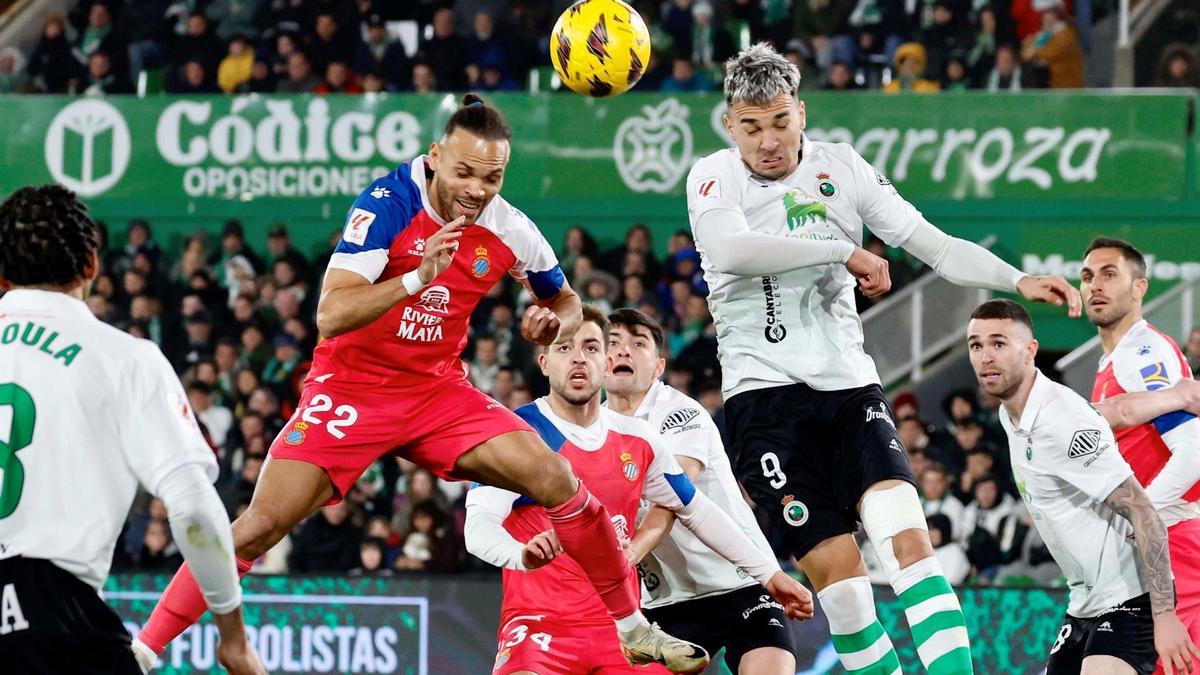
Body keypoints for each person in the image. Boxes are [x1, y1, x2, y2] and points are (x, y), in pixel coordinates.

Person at [133, 95, 705, 672]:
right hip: (352, 387)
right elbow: (330, 314)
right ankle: (144, 649)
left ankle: (632, 627)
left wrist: (559, 320)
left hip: (436, 393)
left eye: (493, 176)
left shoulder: (510, 227)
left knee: (554, 475)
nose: (479, 189)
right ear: (435, 158)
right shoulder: (388, 203)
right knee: (260, 525)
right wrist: (416, 278)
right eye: (465, 172)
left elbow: (567, 298)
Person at [687, 42, 1082, 674]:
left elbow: (935, 246)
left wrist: (1018, 280)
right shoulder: (714, 176)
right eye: (752, 126)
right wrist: (838, 252)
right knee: (843, 595)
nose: (768, 140)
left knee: (910, 547)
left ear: (802, 114)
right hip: (765, 405)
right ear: (730, 125)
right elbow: (730, 249)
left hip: (851, 392)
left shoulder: (841, 167)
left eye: (780, 121)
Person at [0, 185, 263, 675]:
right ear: (91, 265)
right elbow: (192, 507)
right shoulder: (122, 357)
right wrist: (234, 639)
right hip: (48, 613)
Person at [465, 307, 812, 674]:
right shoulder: (514, 435)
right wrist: (520, 554)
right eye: (564, 348)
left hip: (627, 628)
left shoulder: (640, 437)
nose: (579, 357)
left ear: (604, 361)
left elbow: (693, 508)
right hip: (541, 625)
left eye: (591, 347)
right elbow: (477, 526)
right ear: (545, 362)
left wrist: (770, 575)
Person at [967, 298, 1199, 674]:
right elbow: (1111, 412)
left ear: (1030, 352)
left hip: (1131, 599)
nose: (986, 356)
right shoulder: (1014, 412)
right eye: (976, 345)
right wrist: (1177, 396)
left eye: (999, 343)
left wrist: (1166, 616)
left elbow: (1143, 511)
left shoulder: (1060, 419)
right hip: (1084, 603)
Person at [605, 308, 797, 674]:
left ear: (658, 367)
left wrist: (625, 557)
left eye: (638, 343)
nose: (623, 350)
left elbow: (672, 500)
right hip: (664, 601)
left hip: (740, 583)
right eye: (612, 343)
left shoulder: (681, 414)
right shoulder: (592, 430)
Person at [1080, 238, 1200, 674]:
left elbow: (1193, 454)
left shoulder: (1142, 352)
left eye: (1110, 274)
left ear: (1139, 288)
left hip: (1174, 543)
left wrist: (1140, 520)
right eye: (1088, 276)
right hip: (1158, 549)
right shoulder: (1114, 359)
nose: (1095, 285)